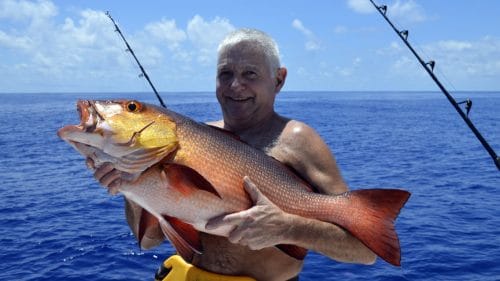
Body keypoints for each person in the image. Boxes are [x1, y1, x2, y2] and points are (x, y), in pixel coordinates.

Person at [91, 28, 376, 281]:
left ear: (278, 80)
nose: (235, 86)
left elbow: (365, 251)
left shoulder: (297, 140)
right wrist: (130, 184)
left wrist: (288, 228)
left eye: (249, 74)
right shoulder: (195, 141)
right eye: (225, 74)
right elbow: (149, 241)